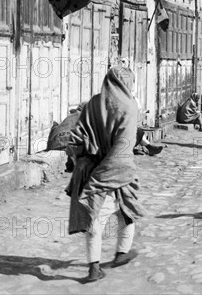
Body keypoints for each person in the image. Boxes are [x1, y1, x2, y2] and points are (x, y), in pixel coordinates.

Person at [66, 67, 145, 283]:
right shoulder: (129, 107)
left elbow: (78, 136)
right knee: (106, 217)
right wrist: (107, 174)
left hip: (93, 167)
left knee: (122, 213)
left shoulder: (93, 102)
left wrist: (77, 160)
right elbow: (123, 147)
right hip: (114, 170)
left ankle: (117, 255)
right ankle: (97, 268)